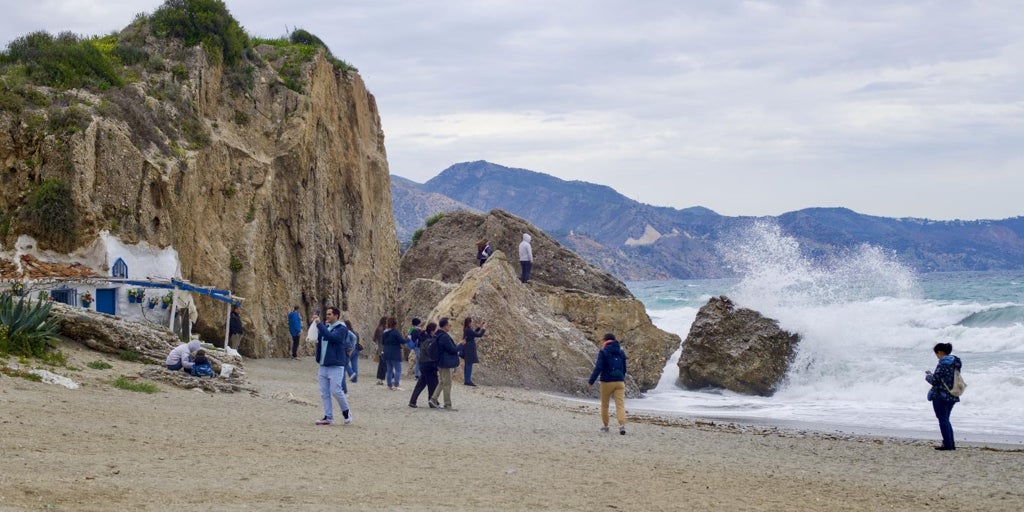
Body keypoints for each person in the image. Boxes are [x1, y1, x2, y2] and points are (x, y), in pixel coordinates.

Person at [313, 307, 353, 426]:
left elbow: (332, 338)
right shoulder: (326, 328)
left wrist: (319, 324)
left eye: (330, 314)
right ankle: (328, 417)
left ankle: (346, 412)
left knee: (336, 390)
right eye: (326, 314)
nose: (327, 316)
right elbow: (320, 339)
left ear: (336, 316)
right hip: (323, 364)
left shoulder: (342, 329)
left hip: (336, 364)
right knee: (324, 392)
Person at [588, 333, 628, 435]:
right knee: (620, 405)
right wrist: (621, 378)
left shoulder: (603, 351)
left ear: (605, 340)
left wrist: (591, 381)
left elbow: (598, 368)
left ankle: (606, 426)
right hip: (619, 382)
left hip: (606, 382)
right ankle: (622, 426)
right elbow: (624, 368)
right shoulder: (621, 352)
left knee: (605, 405)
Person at [925, 342, 962, 450]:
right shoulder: (956, 363)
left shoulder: (943, 364)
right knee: (946, 419)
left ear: (940, 352)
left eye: (936, 354)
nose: (937, 357)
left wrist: (928, 376)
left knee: (943, 420)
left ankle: (948, 444)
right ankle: (950, 444)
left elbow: (935, 381)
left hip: (941, 395)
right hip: (953, 394)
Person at [430, 317, 460, 410]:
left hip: (439, 362)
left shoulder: (437, 335)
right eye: (449, 325)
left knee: (442, 382)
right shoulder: (445, 336)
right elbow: (452, 350)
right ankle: (447, 404)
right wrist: (461, 345)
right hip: (445, 363)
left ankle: (433, 399)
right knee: (447, 383)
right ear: (445, 326)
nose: (450, 327)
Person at [409, 322, 439, 408]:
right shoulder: (429, 340)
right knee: (432, 383)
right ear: (432, 331)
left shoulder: (423, 337)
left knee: (421, 383)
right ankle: (432, 401)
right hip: (429, 364)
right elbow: (431, 352)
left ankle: (412, 401)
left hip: (423, 363)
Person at [381, 317, 405, 390]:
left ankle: (389, 385)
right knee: (398, 369)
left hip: (386, 352)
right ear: (395, 324)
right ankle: (396, 385)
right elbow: (401, 341)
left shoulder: (384, 332)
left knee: (389, 370)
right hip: (395, 352)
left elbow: (382, 342)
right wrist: (408, 339)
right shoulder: (396, 332)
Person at [461, 317, 486, 386]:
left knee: (467, 364)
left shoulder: (467, 329)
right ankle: (468, 381)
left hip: (467, 348)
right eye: (471, 322)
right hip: (469, 348)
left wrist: (479, 327)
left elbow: (473, 333)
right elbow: (478, 335)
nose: (472, 323)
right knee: (469, 364)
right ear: (469, 323)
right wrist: (483, 328)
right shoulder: (468, 330)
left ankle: (467, 380)